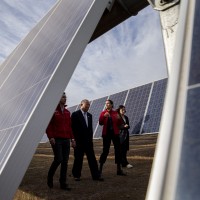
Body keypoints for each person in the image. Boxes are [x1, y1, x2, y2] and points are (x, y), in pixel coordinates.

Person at [46, 92, 75, 190]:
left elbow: (70, 127)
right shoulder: (52, 111)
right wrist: (51, 137)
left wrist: (72, 139)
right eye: (63, 97)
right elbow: (48, 125)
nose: (65, 98)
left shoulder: (67, 112)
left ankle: (63, 183)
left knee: (65, 161)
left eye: (65, 97)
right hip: (57, 139)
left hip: (66, 139)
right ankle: (50, 177)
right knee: (58, 159)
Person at [71, 99, 103, 181]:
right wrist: (73, 140)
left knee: (92, 158)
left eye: (89, 105)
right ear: (81, 105)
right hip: (79, 141)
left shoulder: (89, 115)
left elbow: (90, 129)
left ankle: (96, 175)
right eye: (86, 105)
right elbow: (72, 128)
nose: (88, 106)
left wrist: (91, 139)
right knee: (78, 158)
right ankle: (76, 175)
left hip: (88, 142)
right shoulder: (75, 114)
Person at [99, 99, 126, 176]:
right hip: (106, 134)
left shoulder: (116, 113)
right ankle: (99, 169)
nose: (106, 104)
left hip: (115, 134)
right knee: (105, 151)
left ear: (111, 104)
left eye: (108, 103)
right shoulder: (103, 113)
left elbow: (120, 123)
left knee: (118, 150)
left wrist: (123, 125)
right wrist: (104, 116)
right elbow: (100, 123)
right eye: (106, 103)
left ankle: (119, 170)